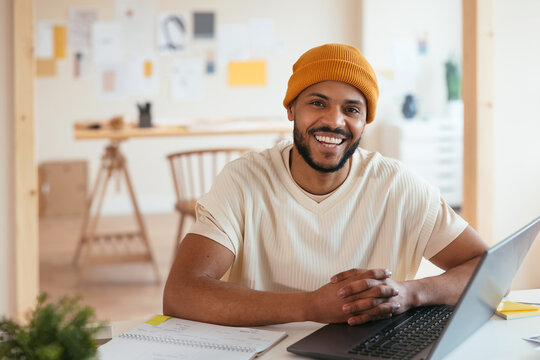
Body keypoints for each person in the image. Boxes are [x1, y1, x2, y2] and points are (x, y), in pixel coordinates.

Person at [163, 43, 488, 327]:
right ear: (291, 109)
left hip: (372, 349)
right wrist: (311, 306)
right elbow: (182, 291)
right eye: (318, 103)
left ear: (364, 122)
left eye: (351, 109)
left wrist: (411, 292)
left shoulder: (397, 185)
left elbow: (484, 269)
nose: (334, 121)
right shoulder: (243, 180)